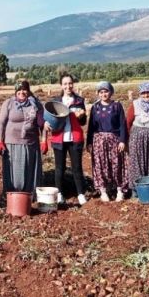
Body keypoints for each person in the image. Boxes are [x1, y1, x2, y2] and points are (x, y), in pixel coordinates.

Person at [0, 80, 47, 196]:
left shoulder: (36, 104)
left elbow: (43, 124)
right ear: (15, 91)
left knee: (29, 171)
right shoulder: (8, 103)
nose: (22, 92)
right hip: (12, 144)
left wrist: (44, 141)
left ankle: (29, 195)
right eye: (19, 90)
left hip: (31, 143)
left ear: (28, 91)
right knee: (14, 172)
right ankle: (13, 195)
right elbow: (1, 123)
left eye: (24, 89)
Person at [46, 73, 88, 205]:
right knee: (59, 168)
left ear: (73, 84)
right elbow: (48, 118)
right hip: (59, 138)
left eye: (70, 83)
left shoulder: (79, 101)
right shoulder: (56, 102)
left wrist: (82, 115)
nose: (68, 86)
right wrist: (46, 124)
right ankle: (60, 194)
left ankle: (80, 193)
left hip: (75, 138)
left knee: (77, 167)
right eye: (65, 84)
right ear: (61, 85)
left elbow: (83, 123)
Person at [86, 81, 128, 202]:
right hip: (99, 141)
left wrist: (122, 140)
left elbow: (122, 124)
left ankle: (120, 190)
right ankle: (103, 191)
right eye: (101, 92)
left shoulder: (117, 106)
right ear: (98, 93)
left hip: (114, 140)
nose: (104, 94)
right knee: (100, 165)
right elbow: (91, 127)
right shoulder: (95, 107)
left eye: (106, 91)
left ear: (111, 92)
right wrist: (89, 143)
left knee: (117, 164)